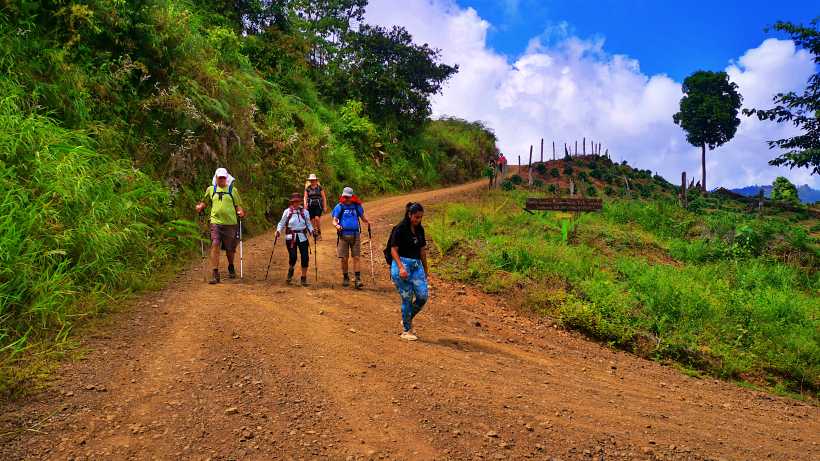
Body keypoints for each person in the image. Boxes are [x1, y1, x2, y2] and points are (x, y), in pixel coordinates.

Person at [195, 168, 246, 284]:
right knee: (215, 244)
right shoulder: (211, 189)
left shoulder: (233, 190)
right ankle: (215, 272)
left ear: (226, 178)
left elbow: (238, 206)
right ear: (216, 178)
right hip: (215, 222)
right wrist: (200, 207)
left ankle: (231, 266)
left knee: (230, 249)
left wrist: (241, 212)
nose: (222, 179)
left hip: (230, 223)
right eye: (220, 177)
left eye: (224, 177)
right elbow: (205, 202)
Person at [388, 202, 429, 341]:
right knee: (407, 297)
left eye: (421, 217)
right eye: (416, 217)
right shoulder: (399, 229)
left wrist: (425, 269)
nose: (419, 220)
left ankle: (407, 317)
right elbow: (393, 249)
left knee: (423, 296)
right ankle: (406, 330)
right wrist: (400, 267)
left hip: (416, 265)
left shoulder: (420, 230)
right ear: (409, 215)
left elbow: (422, 250)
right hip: (402, 264)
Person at [332, 186, 370, 289]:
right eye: (345, 196)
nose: (347, 199)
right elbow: (334, 220)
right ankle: (345, 277)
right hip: (343, 235)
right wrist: (337, 225)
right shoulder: (340, 206)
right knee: (344, 258)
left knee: (356, 257)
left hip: (355, 234)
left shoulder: (356, 206)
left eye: (348, 197)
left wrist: (367, 222)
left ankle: (357, 280)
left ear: (352, 196)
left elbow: (362, 217)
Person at [276, 193, 316, 286]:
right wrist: (278, 231)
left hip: (302, 236)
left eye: (297, 201)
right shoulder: (287, 212)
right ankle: (291, 269)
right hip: (291, 237)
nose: (296, 203)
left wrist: (312, 231)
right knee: (293, 256)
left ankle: (303, 278)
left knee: (305, 257)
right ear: (292, 202)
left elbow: (308, 223)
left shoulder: (305, 212)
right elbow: (281, 223)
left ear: (300, 202)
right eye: (294, 201)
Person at [303, 173, 327, 240]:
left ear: (316, 180)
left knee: (317, 218)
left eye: (313, 180)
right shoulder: (307, 188)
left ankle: (319, 231)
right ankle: (315, 234)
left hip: (318, 205)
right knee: (312, 221)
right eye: (311, 180)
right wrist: (305, 205)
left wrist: (325, 206)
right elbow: (305, 197)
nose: (312, 181)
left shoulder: (319, 188)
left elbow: (324, 197)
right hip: (310, 206)